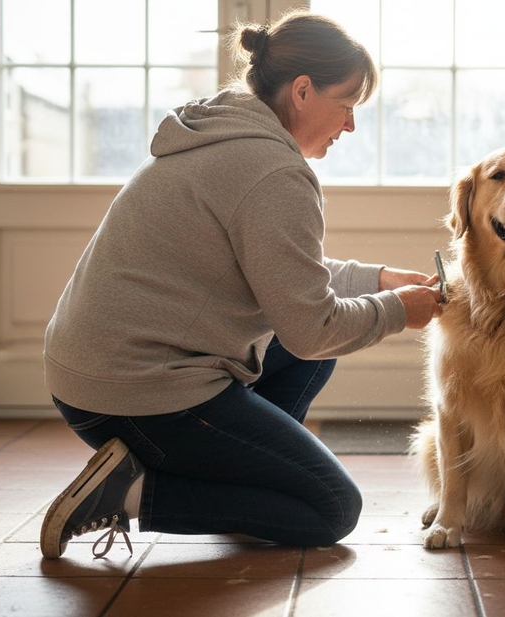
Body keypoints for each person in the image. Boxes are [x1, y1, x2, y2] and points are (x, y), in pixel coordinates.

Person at [39, 11, 443, 559]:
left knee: (314, 354)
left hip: (92, 371)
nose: (349, 125)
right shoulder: (273, 171)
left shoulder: (229, 129)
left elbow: (285, 275)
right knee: (331, 507)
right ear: (302, 91)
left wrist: (378, 280)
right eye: (346, 105)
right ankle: (128, 494)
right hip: (136, 392)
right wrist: (399, 310)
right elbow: (311, 326)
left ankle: (251, 484)